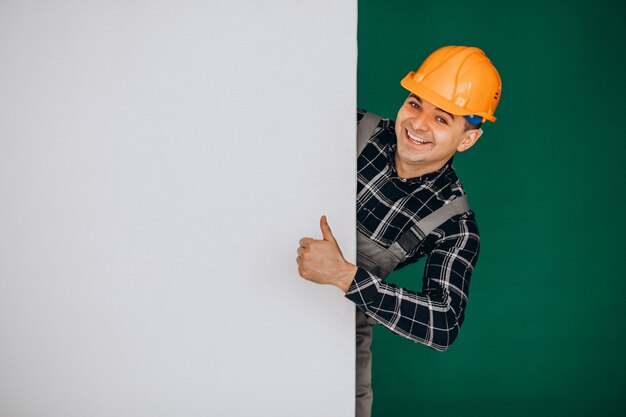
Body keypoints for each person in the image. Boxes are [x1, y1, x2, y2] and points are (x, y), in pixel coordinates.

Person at [296, 45, 502, 417]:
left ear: (467, 138)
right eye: (415, 104)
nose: (418, 124)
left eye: (442, 119)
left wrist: (345, 276)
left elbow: (444, 322)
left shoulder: (454, 224)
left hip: (337, 338)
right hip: (259, 285)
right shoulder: (349, 128)